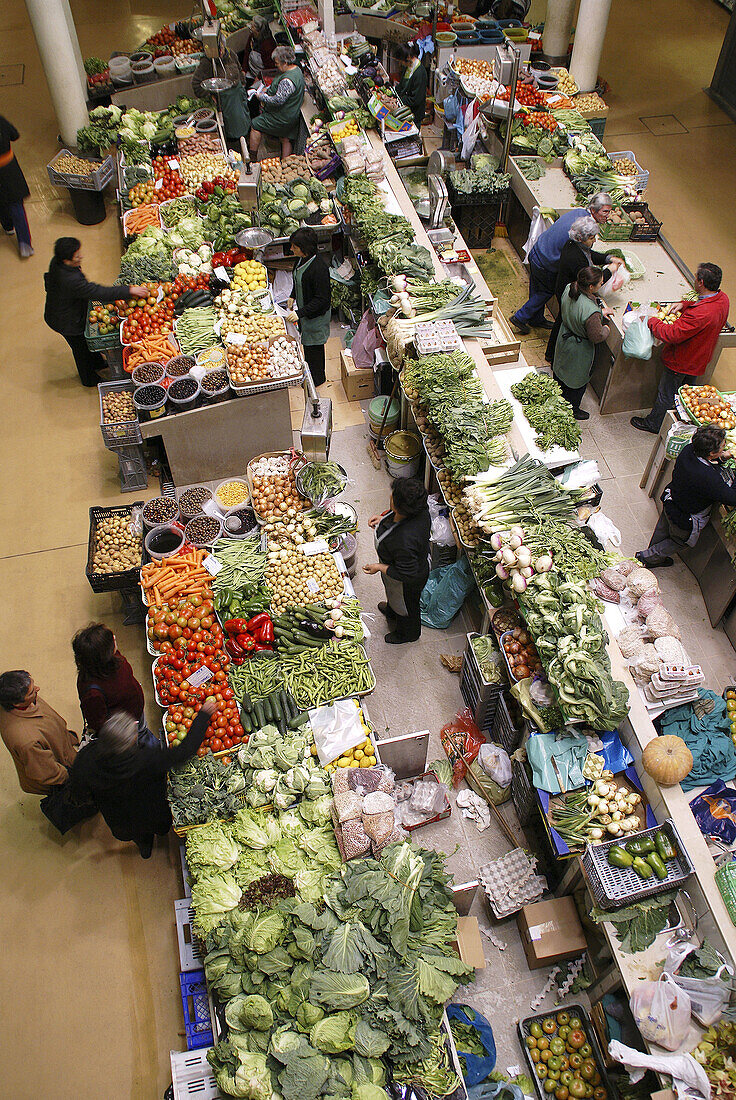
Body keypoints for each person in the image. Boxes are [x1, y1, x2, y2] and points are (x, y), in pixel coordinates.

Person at [70, 699, 216, 858]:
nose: (135, 723)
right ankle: (158, 836)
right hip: (153, 810)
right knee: (158, 826)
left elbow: (78, 792)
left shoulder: (86, 758)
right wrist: (203, 716)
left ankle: (145, 848)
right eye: (133, 731)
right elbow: (184, 751)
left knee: (138, 835)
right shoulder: (145, 759)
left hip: (119, 818)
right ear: (129, 744)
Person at [631, 262, 730, 435]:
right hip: (699, 359)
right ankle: (679, 421)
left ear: (700, 282)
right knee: (685, 393)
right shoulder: (723, 300)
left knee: (667, 394)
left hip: (682, 361)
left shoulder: (700, 313)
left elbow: (672, 334)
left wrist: (651, 321)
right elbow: (702, 310)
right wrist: (684, 305)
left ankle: (654, 424)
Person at [44, 237, 147, 387]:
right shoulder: (69, 280)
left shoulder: (57, 262)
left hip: (65, 310)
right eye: (77, 256)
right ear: (67, 260)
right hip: (66, 320)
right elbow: (97, 292)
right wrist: (129, 290)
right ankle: (89, 380)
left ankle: (98, 363)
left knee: (84, 344)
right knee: (80, 349)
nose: (81, 257)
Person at [510, 192, 615, 335]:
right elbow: (586, 263)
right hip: (546, 261)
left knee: (536, 288)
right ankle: (520, 317)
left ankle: (536, 319)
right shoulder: (582, 231)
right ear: (594, 210)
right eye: (605, 211)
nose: (608, 215)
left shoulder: (579, 212)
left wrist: (606, 258)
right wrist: (610, 268)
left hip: (538, 251)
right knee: (545, 291)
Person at [636, 425, 736, 568]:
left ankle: (654, 557)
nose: (724, 448)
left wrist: (723, 457)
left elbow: (703, 467)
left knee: (663, 527)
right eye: (722, 448)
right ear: (712, 453)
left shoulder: (689, 450)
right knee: (679, 541)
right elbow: (732, 498)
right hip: (685, 517)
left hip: (672, 498)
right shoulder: (708, 477)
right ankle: (647, 557)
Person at [364, 478, 431, 645]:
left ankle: (408, 633)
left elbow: (405, 573)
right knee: (394, 597)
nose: (390, 496)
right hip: (400, 566)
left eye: (393, 496)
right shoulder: (419, 510)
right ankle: (392, 610)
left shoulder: (405, 540)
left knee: (408, 607)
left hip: (408, 579)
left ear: (400, 507)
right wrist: (383, 519)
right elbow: (398, 518)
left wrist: (379, 567)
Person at [545, 215, 619, 362]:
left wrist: (607, 258)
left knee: (562, 320)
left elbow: (590, 254)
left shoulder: (573, 245)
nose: (594, 241)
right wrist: (610, 270)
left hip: (564, 288)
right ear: (580, 238)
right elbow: (592, 280)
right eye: (591, 238)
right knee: (563, 321)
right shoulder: (575, 258)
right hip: (568, 292)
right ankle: (554, 354)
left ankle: (551, 353)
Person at [0, 671, 79, 795]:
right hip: (58, 774)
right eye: (31, 692)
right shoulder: (27, 740)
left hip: (61, 749)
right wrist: (75, 778)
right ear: (17, 703)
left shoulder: (23, 700)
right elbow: (49, 773)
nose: (37, 689)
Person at [552, 266, 614, 420]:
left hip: (564, 337)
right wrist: (606, 328)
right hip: (579, 349)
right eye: (600, 283)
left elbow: (579, 310)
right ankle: (572, 409)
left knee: (561, 370)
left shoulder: (570, 288)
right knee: (576, 381)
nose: (602, 284)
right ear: (591, 287)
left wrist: (599, 312)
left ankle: (556, 398)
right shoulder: (590, 311)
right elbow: (596, 336)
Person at [72, 623, 148, 741]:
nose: (114, 638)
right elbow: (99, 725)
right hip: (125, 732)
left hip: (135, 715)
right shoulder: (92, 692)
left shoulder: (113, 659)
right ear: (103, 656)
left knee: (144, 735)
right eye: (111, 641)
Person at [285, 227, 331, 387]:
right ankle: (309, 374)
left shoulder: (319, 269)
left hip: (316, 316)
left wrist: (300, 313)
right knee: (308, 346)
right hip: (306, 312)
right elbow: (298, 278)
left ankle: (317, 380)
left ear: (304, 248)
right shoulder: (301, 259)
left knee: (315, 348)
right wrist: (293, 295)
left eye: (294, 247)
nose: (291, 249)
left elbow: (322, 299)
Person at [249, 46, 305, 160]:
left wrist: (262, 97)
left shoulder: (287, 81)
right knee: (285, 138)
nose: (276, 65)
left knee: (255, 125)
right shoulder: (296, 69)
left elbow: (277, 100)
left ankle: (252, 158)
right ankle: (285, 164)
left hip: (282, 118)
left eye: (277, 63)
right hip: (291, 115)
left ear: (285, 63)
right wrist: (268, 89)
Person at [192, 43, 251, 146]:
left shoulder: (230, 53)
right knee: (233, 128)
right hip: (225, 100)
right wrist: (209, 95)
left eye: (221, 49)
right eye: (216, 50)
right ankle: (235, 146)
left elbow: (238, 67)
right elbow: (196, 84)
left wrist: (242, 83)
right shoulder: (207, 62)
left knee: (244, 123)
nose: (220, 52)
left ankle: (246, 142)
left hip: (238, 95)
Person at [0, 115, 32, 258]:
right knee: (16, 205)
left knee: (1, 203)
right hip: (9, 170)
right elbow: (15, 135)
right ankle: (25, 245)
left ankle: (8, 227)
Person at [396, 43, 428, 130]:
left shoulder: (419, 73)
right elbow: (401, 85)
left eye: (401, 60)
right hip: (405, 109)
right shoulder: (407, 67)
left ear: (408, 58)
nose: (400, 63)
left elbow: (415, 99)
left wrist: (398, 101)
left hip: (414, 114)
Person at [243, 15, 276, 80]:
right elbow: (247, 52)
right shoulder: (252, 37)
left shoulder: (268, 45)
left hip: (263, 76)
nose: (250, 28)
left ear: (258, 31)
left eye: (252, 27)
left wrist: (258, 78)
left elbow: (269, 68)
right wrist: (244, 70)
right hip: (251, 72)